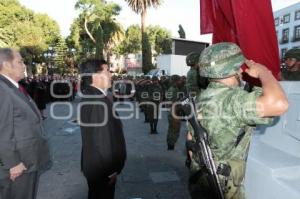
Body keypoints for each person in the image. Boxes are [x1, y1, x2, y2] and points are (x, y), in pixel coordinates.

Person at [187, 42, 288, 199]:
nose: (242, 70)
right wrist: (263, 72)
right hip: (225, 187)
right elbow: (279, 104)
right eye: (239, 66)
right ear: (234, 69)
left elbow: (191, 143)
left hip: (201, 179)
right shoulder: (234, 100)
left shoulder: (198, 99)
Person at [0, 48, 50, 199]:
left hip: (27, 161)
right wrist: (13, 163)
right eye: (20, 61)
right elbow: (2, 130)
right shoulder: (2, 90)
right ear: (6, 65)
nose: (24, 65)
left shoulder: (12, 87)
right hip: (18, 166)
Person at [79, 59, 126, 199]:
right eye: (107, 71)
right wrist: (110, 170)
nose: (111, 75)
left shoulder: (92, 95)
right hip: (101, 170)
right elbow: (101, 139)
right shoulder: (97, 100)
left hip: (95, 167)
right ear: (95, 76)